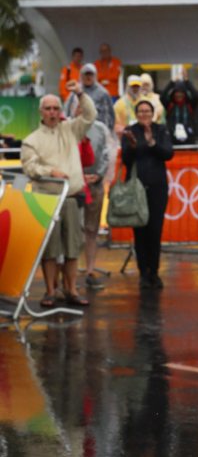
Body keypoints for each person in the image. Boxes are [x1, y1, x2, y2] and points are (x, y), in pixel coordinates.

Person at [20, 84, 96, 308]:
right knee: (51, 249)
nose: (53, 112)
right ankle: (50, 291)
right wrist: (50, 172)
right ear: (41, 112)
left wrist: (80, 94)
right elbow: (29, 167)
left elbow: (91, 115)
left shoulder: (70, 129)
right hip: (46, 199)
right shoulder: (31, 140)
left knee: (73, 247)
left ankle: (71, 289)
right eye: (48, 108)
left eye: (56, 108)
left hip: (71, 197)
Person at [121, 99, 175, 288]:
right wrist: (134, 147)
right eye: (141, 111)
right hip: (137, 187)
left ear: (153, 114)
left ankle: (155, 271)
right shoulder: (130, 131)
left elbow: (168, 153)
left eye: (147, 111)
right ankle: (143, 272)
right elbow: (126, 159)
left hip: (158, 187)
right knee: (140, 230)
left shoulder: (161, 130)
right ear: (136, 114)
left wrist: (152, 142)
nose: (144, 114)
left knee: (155, 230)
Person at [78, 109, 112, 287]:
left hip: (95, 185)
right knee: (73, 231)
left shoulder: (101, 129)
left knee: (92, 229)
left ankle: (90, 270)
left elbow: (107, 155)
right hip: (74, 185)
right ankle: (69, 274)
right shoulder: (69, 127)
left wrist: (98, 175)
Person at [65, 63, 115, 131]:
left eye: (91, 74)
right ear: (81, 76)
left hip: (97, 129)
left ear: (95, 76)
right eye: (86, 74)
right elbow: (67, 111)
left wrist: (107, 131)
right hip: (77, 129)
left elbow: (110, 115)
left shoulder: (103, 93)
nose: (88, 77)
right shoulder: (75, 91)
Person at [161, 75, 198, 145]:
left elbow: (196, 97)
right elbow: (162, 97)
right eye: (177, 93)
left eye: (181, 93)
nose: (179, 95)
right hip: (172, 138)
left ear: (184, 94)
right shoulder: (170, 105)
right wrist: (171, 83)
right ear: (173, 94)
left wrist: (187, 82)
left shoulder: (189, 105)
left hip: (188, 138)